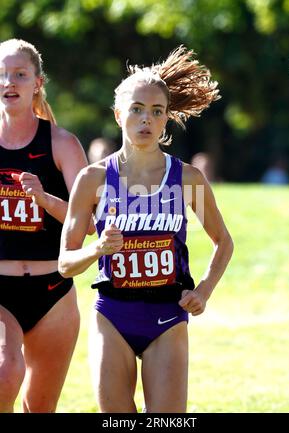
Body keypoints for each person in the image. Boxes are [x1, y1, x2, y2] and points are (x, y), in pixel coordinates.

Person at [59, 45, 234, 413]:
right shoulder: (92, 180)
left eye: (156, 111)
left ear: (167, 119)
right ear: (119, 113)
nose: (146, 120)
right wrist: (96, 250)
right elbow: (65, 263)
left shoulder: (187, 179)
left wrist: (204, 289)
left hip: (168, 316)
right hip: (112, 314)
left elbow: (223, 242)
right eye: (137, 109)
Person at [0, 38, 93, 412]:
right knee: (6, 371)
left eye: (20, 75)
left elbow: (87, 224)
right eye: (3, 75)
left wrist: (43, 199)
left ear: (37, 82)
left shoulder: (61, 143)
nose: (9, 82)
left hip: (53, 290)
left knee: (40, 407)